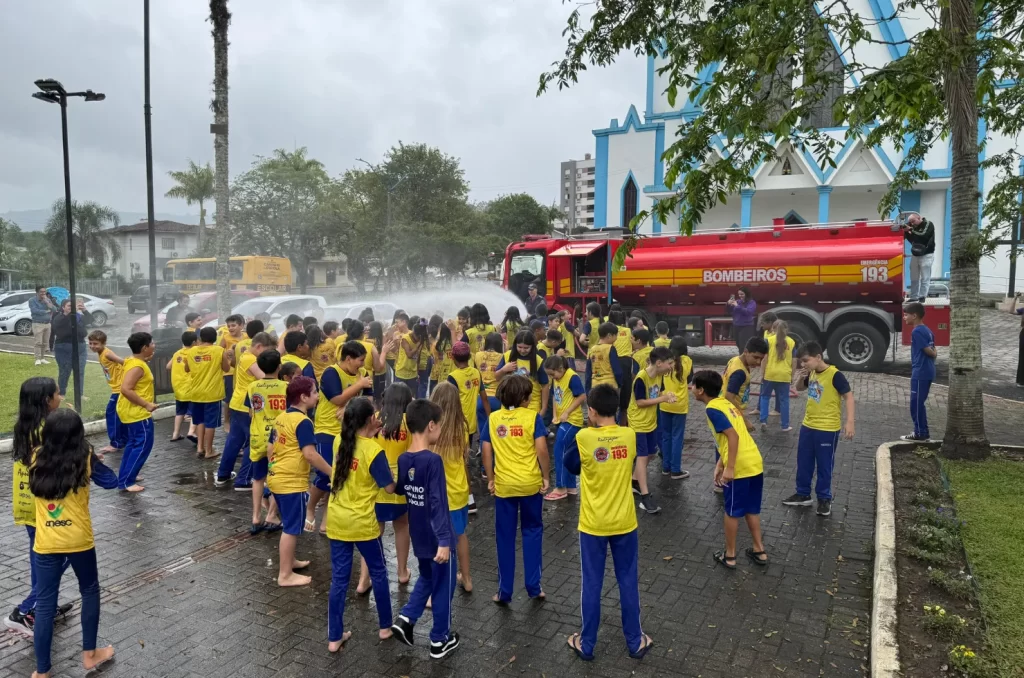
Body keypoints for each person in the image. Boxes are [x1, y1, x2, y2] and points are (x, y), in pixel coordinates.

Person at [564, 384, 653, 661]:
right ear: (615, 408)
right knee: (627, 580)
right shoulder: (629, 434)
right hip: (625, 522)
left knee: (591, 583)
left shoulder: (583, 438)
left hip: (593, 525)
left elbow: (570, 465)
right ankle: (635, 641)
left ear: (591, 410)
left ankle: (587, 643)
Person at [29, 408, 119, 677]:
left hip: (46, 542)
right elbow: (112, 482)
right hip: (79, 540)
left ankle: (41, 672)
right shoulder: (85, 458)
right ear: (79, 435)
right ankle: (90, 655)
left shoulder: (35, 456)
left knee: (45, 604)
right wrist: (94, 463)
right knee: (89, 590)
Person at [390, 399, 461, 659]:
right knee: (444, 585)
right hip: (437, 536)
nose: (440, 430)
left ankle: (407, 617)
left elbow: (401, 488)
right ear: (431, 425)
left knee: (428, 578)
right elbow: (437, 502)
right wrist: (445, 539)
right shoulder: (433, 461)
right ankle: (440, 639)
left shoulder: (403, 458)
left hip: (418, 533)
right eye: (439, 426)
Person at [325, 397, 396, 652]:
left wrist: (370, 434)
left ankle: (334, 638)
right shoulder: (373, 450)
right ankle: (385, 627)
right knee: (378, 572)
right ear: (370, 420)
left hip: (336, 520)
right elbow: (389, 487)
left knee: (339, 580)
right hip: (364, 523)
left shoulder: (338, 441)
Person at [6, 377, 75, 638]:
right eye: (57, 394)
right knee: (66, 555)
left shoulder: (24, 426)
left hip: (27, 504)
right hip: (48, 507)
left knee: (39, 558)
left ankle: (42, 608)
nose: (61, 396)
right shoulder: (51, 428)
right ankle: (23, 611)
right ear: (47, 400)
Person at [480, 375, 550, 604]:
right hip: (530, 484)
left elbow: (486, 451)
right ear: (522, 397)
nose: (530, 399)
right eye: (528, 395)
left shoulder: (493, 419)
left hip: (504, 486)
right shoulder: (532, 418)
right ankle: (534, 586)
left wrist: (490, 478)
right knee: (532, 532)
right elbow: (541, 450)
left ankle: (504, 591)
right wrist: (545, 476)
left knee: (505, 537)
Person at [692, 370, 769, 570]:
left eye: (693, 386)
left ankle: (730, 555)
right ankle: (759, 550)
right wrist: (720, 464)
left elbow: (732, 436)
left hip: (740, 467)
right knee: (751, 509)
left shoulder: (712, 409)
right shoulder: (726, 404)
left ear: (700, 390)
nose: (691, 389)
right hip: (754, 462)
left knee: (732, 512)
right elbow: (728, 439)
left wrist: (730, 468)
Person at [266, 376, 334, 587]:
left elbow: (270, 448)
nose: (318, 395)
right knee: (292, 528)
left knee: (289, 523)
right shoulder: (304, 422)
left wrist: (274, 469)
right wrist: (333, 472)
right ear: (304, 397)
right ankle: (285, 574)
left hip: (276, 477)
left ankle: (290, 561)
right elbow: (310, 454)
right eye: (314, 392)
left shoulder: (281, 417)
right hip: (290, 483)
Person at [784, 341, 855, 516]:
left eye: (806, 360)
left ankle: (824, 498)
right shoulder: (812, 372)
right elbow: (800, 388)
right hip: (808, 425)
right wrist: (801, 376)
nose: (803, 364)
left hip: (827, 428)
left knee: (824, 465)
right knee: (804, 461)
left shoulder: (834, 375)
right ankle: (803, 494)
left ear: (818, 357)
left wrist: (850, 422)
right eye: (801, 361)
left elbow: (849, 397)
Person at [308, 341, 373, 533]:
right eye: (359, 360)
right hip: (327, 430)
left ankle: (326, 521)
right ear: (348, 359)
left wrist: (350, 405)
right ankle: (310, 508)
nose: (361, 364)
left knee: (341, 475)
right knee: (325, 473)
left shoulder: (364, 375)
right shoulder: (331, 373)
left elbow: (368, 401)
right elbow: (336, 399)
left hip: (348, 431)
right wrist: (358, 386)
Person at [363, 383, 414, 591]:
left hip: (375, 482)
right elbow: (412, 453)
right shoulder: (408, 422)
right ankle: (402, 572)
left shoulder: (374, 419)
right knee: (402, 525)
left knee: (372, 532)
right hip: (400, 483)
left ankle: (364, 580)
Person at [431, 383, 474, 592]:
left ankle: (436, 584)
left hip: (437, 492)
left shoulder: (430, 428)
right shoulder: (462, 427)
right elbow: (464, 458)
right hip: (458, 490)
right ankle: (466, 579)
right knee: (460, 535)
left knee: (437, 539)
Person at [217, 332, 273, 489]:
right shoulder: (251, 359)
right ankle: (244, 479)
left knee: (234, 441)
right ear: (259, 346)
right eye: (266, 350)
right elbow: (265, 378)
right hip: (247, 406)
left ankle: (223, 474)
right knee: (252, 442)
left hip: (237, 403)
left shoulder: (244, 354)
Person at [627, 346, 677, 514]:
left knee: (650, 454)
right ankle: (645, 495)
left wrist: (667, 395)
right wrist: (662, 399)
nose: (671, 367)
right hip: (638, 423)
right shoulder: (641, 378)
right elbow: (640, 402)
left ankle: (634, 480)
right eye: (669, 364)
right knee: (642, 457)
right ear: (659, 363)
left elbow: (658, 392)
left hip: (651, 422)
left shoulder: (659, 375)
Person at [246, 349, 286, 534]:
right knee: (280, 477)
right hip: (279, 438)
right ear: (279, 367)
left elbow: (251, 412)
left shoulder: (252, 387)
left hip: (258, 437)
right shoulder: (286, 387)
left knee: (258, 478)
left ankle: (255, 517)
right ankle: (272, 515)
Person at [115, 332, 157, 492]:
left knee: (133, 444)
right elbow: (126, 389)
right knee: (142, 444)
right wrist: (146, 404)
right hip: (137, 412)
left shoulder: (133, 361)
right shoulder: (138, 366)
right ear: (144, 347)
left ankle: (127, 475)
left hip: (129, 411)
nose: (154, 345)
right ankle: (127, 482)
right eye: (152, 343)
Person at [542, 355, 585, 501]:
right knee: (567, 451)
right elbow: (555, 396)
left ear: (560, 368)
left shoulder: (572, 377)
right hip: (562, 420)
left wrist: (567, 412)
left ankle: (560, 487)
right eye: (549, 375)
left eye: (553, 374)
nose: (552, 377)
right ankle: (571, 486)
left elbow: (581, 396)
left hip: (573, 420)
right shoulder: (556, 378)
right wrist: (555, 414)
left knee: (559, 449)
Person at [187, 327, 230, 459]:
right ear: (215, 338)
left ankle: (200, 448)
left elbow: (187, 368)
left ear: (200, 339)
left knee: (200, 421)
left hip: (196, 392)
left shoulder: (192, 351)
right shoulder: (218, 350)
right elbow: (226, 368)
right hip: (212, 394)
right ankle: (209, 450)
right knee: (210, 423)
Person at [659, 337, 692, 480]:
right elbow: (689, 378)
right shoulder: (687, 361)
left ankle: (666, 468)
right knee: (677, 437)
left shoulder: (664, 361)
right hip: (679, 405)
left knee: (665, 436)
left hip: (664, 402)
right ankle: (676, 470)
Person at [902, 302, 936, 441]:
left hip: (920, 372)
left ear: (914, 315)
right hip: (927, 371)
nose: (904, 317)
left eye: (906, 315)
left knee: (915, 404)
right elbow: (934, 349)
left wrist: (932, 353)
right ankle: (922, 431)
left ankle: (920, 433)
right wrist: (933, 353)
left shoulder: (917, 331)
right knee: (918, 402)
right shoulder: (928, 330)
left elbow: (930, 351)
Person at [88, 331, 126, 454]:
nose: (93, 346)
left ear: (104, 343)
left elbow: (124, 362)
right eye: (91, 343)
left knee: (112, 414)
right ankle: (123, 440)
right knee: (119, 415)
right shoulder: (101, 353)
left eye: (96, 344)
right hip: (117, 388)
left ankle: (115, 444)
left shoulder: (107, 354)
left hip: (119, 389)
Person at [495, 330, 550, 415]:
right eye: (520, 347)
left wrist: (544, 408)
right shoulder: (507, 356)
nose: (522, 350)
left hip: (531, 404)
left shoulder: (538, 360)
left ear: (532, 347)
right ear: (515, 345)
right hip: (510, 402)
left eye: (526, 348)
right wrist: (503, 369)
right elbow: (496, 377)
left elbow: (545, 385)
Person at [51, 298, 92, 405]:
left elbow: (90, 319)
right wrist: (72, 313)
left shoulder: (78, 317)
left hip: (80, 347)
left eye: (73, 306)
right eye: (69, 306)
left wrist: (84, 310)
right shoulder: (59, 318)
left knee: (80, 371)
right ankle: (61, 393)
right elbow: (61, 331)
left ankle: (80, 394)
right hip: (64, 347)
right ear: (63, 307)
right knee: (65, 371)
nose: (72, 308)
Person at [759, 320, 796, 432]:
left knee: (765, 397)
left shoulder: (768, 341)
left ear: (773, 329)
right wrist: (792, 376)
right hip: (784, 375)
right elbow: (794, 361)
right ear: (787, 330)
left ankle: (763, 421)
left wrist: (762, 374)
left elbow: (764, 359)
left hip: (770, 374)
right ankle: (785, 426)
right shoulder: (791, 342)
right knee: (784, 400)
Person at [724, 336, 769, 425]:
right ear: (745, 352)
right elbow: (729, 397)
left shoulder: (735, 359)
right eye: (755, 357)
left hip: (728, 410)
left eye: (761, 359)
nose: (758, 362)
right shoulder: (739, 372)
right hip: (731, 414)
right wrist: (745, 421)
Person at [219, 315, 246, 435]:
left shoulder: (246, 337)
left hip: (243, 370)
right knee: (229, 398)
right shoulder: (226, 338)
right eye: (228, 326)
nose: (230, 328)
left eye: (233, 325)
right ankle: (227, 421)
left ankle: (240, 419)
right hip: (229, 372)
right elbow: (218, 353)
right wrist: (226, 354)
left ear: (241, 325)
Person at [168, 331, 196, 443]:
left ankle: (175, 434)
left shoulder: (177, 353)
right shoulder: (194, 353)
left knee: (180, 412)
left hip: (178, 388)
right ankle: (191, 432)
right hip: (190, 387)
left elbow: (168, 366)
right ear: (194, 342)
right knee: (195, 411)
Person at [903, 213, 936, 302]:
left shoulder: (928, 224)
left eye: (913, 221)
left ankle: (922, 296)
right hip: (915, 253)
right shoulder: (913, 228)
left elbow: (924, 235)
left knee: (925, 276)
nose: (912, 224)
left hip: (926, 253)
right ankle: (914, 296)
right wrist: (906, 231)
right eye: (910, 222)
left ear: (919, 218)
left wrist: (910, 229)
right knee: (914, 276)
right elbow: (913, 239)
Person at [475, 332, 504, 429]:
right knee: (497, 430)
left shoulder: (478, 355)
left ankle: (482, 444)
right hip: (497, 398)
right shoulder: (502, 356)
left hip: (481, 398)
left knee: (484, 430)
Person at [585, 321, 622, 391]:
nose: (616, 338)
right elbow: (617, 370)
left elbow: (588, 372)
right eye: (616, 335)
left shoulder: (592, 350)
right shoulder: (611, 348)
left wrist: (587, 390)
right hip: (610, 386)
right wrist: (620, 383)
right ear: (609, 336)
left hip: (595, 386)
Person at [30, 286, 57, 365]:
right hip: (37, 323)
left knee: (45, 342)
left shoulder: (47, 300)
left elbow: (55, 309)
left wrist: (47, 302)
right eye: (41, 292)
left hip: (47, 323)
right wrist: (46, 311)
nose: (43, 293)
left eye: (44, 292)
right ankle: (37, 359)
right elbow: (34, 311)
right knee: (38, 342)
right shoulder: (32, 300)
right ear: (37, 292)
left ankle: (43, 358)